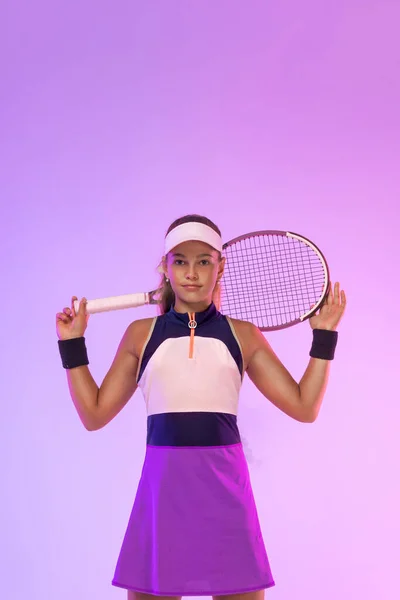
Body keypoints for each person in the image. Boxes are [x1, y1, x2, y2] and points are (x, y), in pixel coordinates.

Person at [56, 214, 346, 600]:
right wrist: (72, 345)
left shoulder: (243, 335)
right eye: (180, 261)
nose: (191, 273)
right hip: (163, 493)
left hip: (226, 494)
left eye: (203, 261)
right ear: (166, 268)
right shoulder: (141, 335)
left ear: (220, 266)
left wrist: (324, 336)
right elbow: (93, 415)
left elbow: (304, 406)